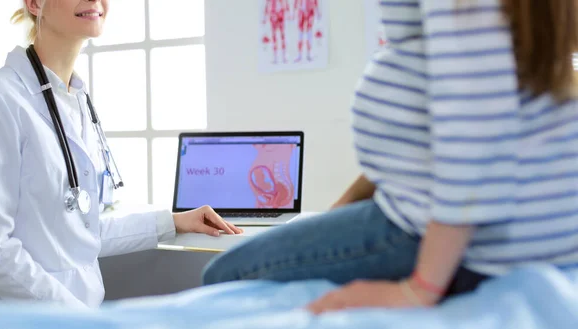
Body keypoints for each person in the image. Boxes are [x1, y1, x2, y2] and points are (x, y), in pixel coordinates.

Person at [203, 0, 578, 315]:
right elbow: (426, 141)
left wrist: (420, 290)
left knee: (225, 278)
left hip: (472, 235)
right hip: (525, 219)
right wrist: (343, 208)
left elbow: (475, 126)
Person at [0, 0, 242, 308]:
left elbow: (82, 230)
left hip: (80, 309)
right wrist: (78, 318)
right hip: (29, 318)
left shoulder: (75, 99)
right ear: (35, 4)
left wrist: (173, 222)